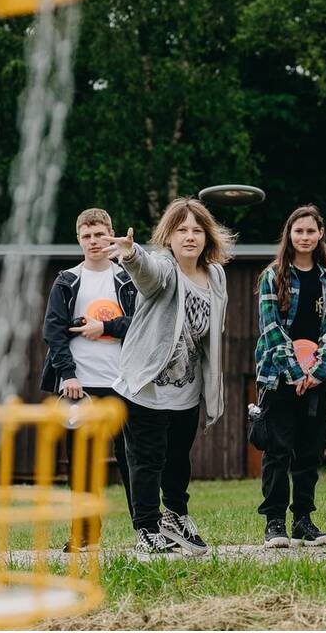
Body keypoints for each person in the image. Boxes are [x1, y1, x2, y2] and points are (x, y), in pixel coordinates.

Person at [104, 198, 233, 555]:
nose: (189, 237)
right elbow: (148, 274)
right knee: (146, 459)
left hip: (187, 388)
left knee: (178, 459)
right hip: (146, 386)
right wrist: (131, 255)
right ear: (169, 236)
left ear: (207, 237)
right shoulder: (163, 266)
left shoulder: (216, 275)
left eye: (196, 230)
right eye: (181, 230)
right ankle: (146, 527)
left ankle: (175, 516)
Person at [40, 208, 137, 552]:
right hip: (78, 384)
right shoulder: (67, 279)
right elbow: (53, 330)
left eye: (100, 235)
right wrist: (68, 375)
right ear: (79, 238)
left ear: (110, 234)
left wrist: (106, 327)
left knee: (132, 459)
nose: (94, 242)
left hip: (125, 382)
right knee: (81, 461)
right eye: (87, 236)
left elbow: (142, 325)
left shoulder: (128, 278)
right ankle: (85, 534)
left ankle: (145, 531)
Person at [254, 205, 326, 548]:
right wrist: (294, 371)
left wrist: (318, 371)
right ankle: (274, 521)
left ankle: (303, 520)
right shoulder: (272, 276)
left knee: (309, 450)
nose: (304, 237)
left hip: (317, 380)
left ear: (320, 234)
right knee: (278, 449)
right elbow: (271, 330)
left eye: (310, 231)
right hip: (279, 376)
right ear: (289, 235)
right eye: (298, 231)